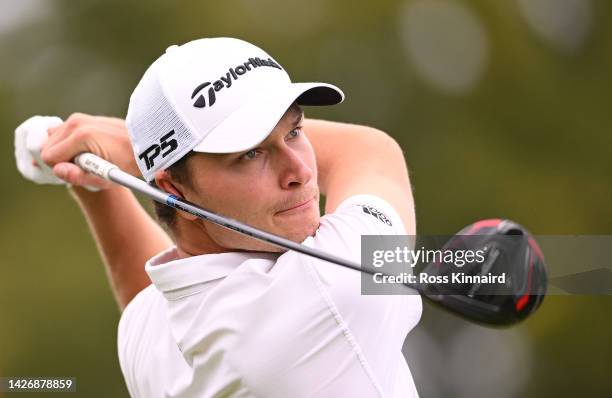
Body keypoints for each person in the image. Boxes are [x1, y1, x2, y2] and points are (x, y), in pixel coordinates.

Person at [35, 37, 422, 397]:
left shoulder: (141, 337)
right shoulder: (333, 288)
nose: (300, 172)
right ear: (172, 189)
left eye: (294, 131)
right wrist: (127, 146)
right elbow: (371, 150)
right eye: (251, 154)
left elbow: (155, 298)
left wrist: (101, 185)